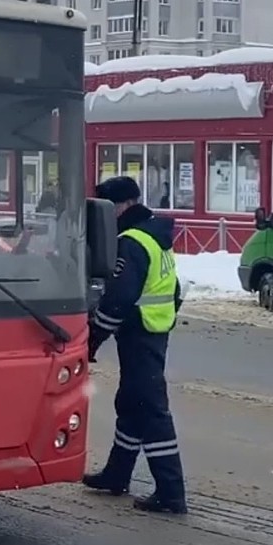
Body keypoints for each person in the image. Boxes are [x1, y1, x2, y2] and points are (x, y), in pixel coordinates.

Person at [83, 175, 187, 515]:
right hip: (152, 330)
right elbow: (172, 290)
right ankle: (117, 474)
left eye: (108, 207)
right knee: (131, 402)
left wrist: (93, 338)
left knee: (151, 410)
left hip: (140, 332)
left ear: (123, 205)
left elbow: (118, 300)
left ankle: (171, 492)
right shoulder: (153, 234)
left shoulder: (131, 241)